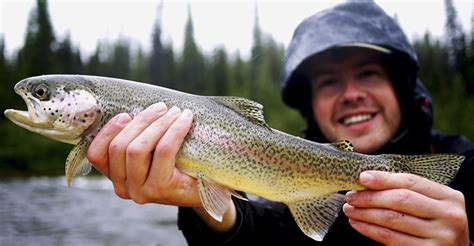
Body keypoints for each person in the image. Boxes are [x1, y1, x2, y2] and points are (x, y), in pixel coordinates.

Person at [87, 2, 473, 245]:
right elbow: (256, 231)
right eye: (329, 82)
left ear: (401, 86)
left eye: (368, 73)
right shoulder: (286, 188)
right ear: (310, 103)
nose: (351, 93)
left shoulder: (467, 169)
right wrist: (199, 201)